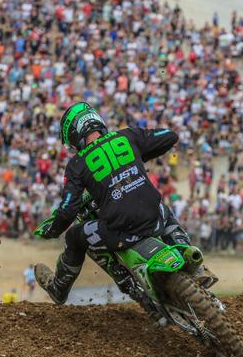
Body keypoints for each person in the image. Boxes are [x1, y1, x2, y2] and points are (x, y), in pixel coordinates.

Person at [33, 102, 216, 304]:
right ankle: (195, 265)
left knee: (74, 236)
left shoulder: (76, 164)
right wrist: (137, 154)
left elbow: (68, 209)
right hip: (152, 218)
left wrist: (53, 230)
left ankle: (59, 289)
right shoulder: (127, 137)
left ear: (75, 136)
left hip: (119, 230)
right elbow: (170, 136)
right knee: (161, 206)